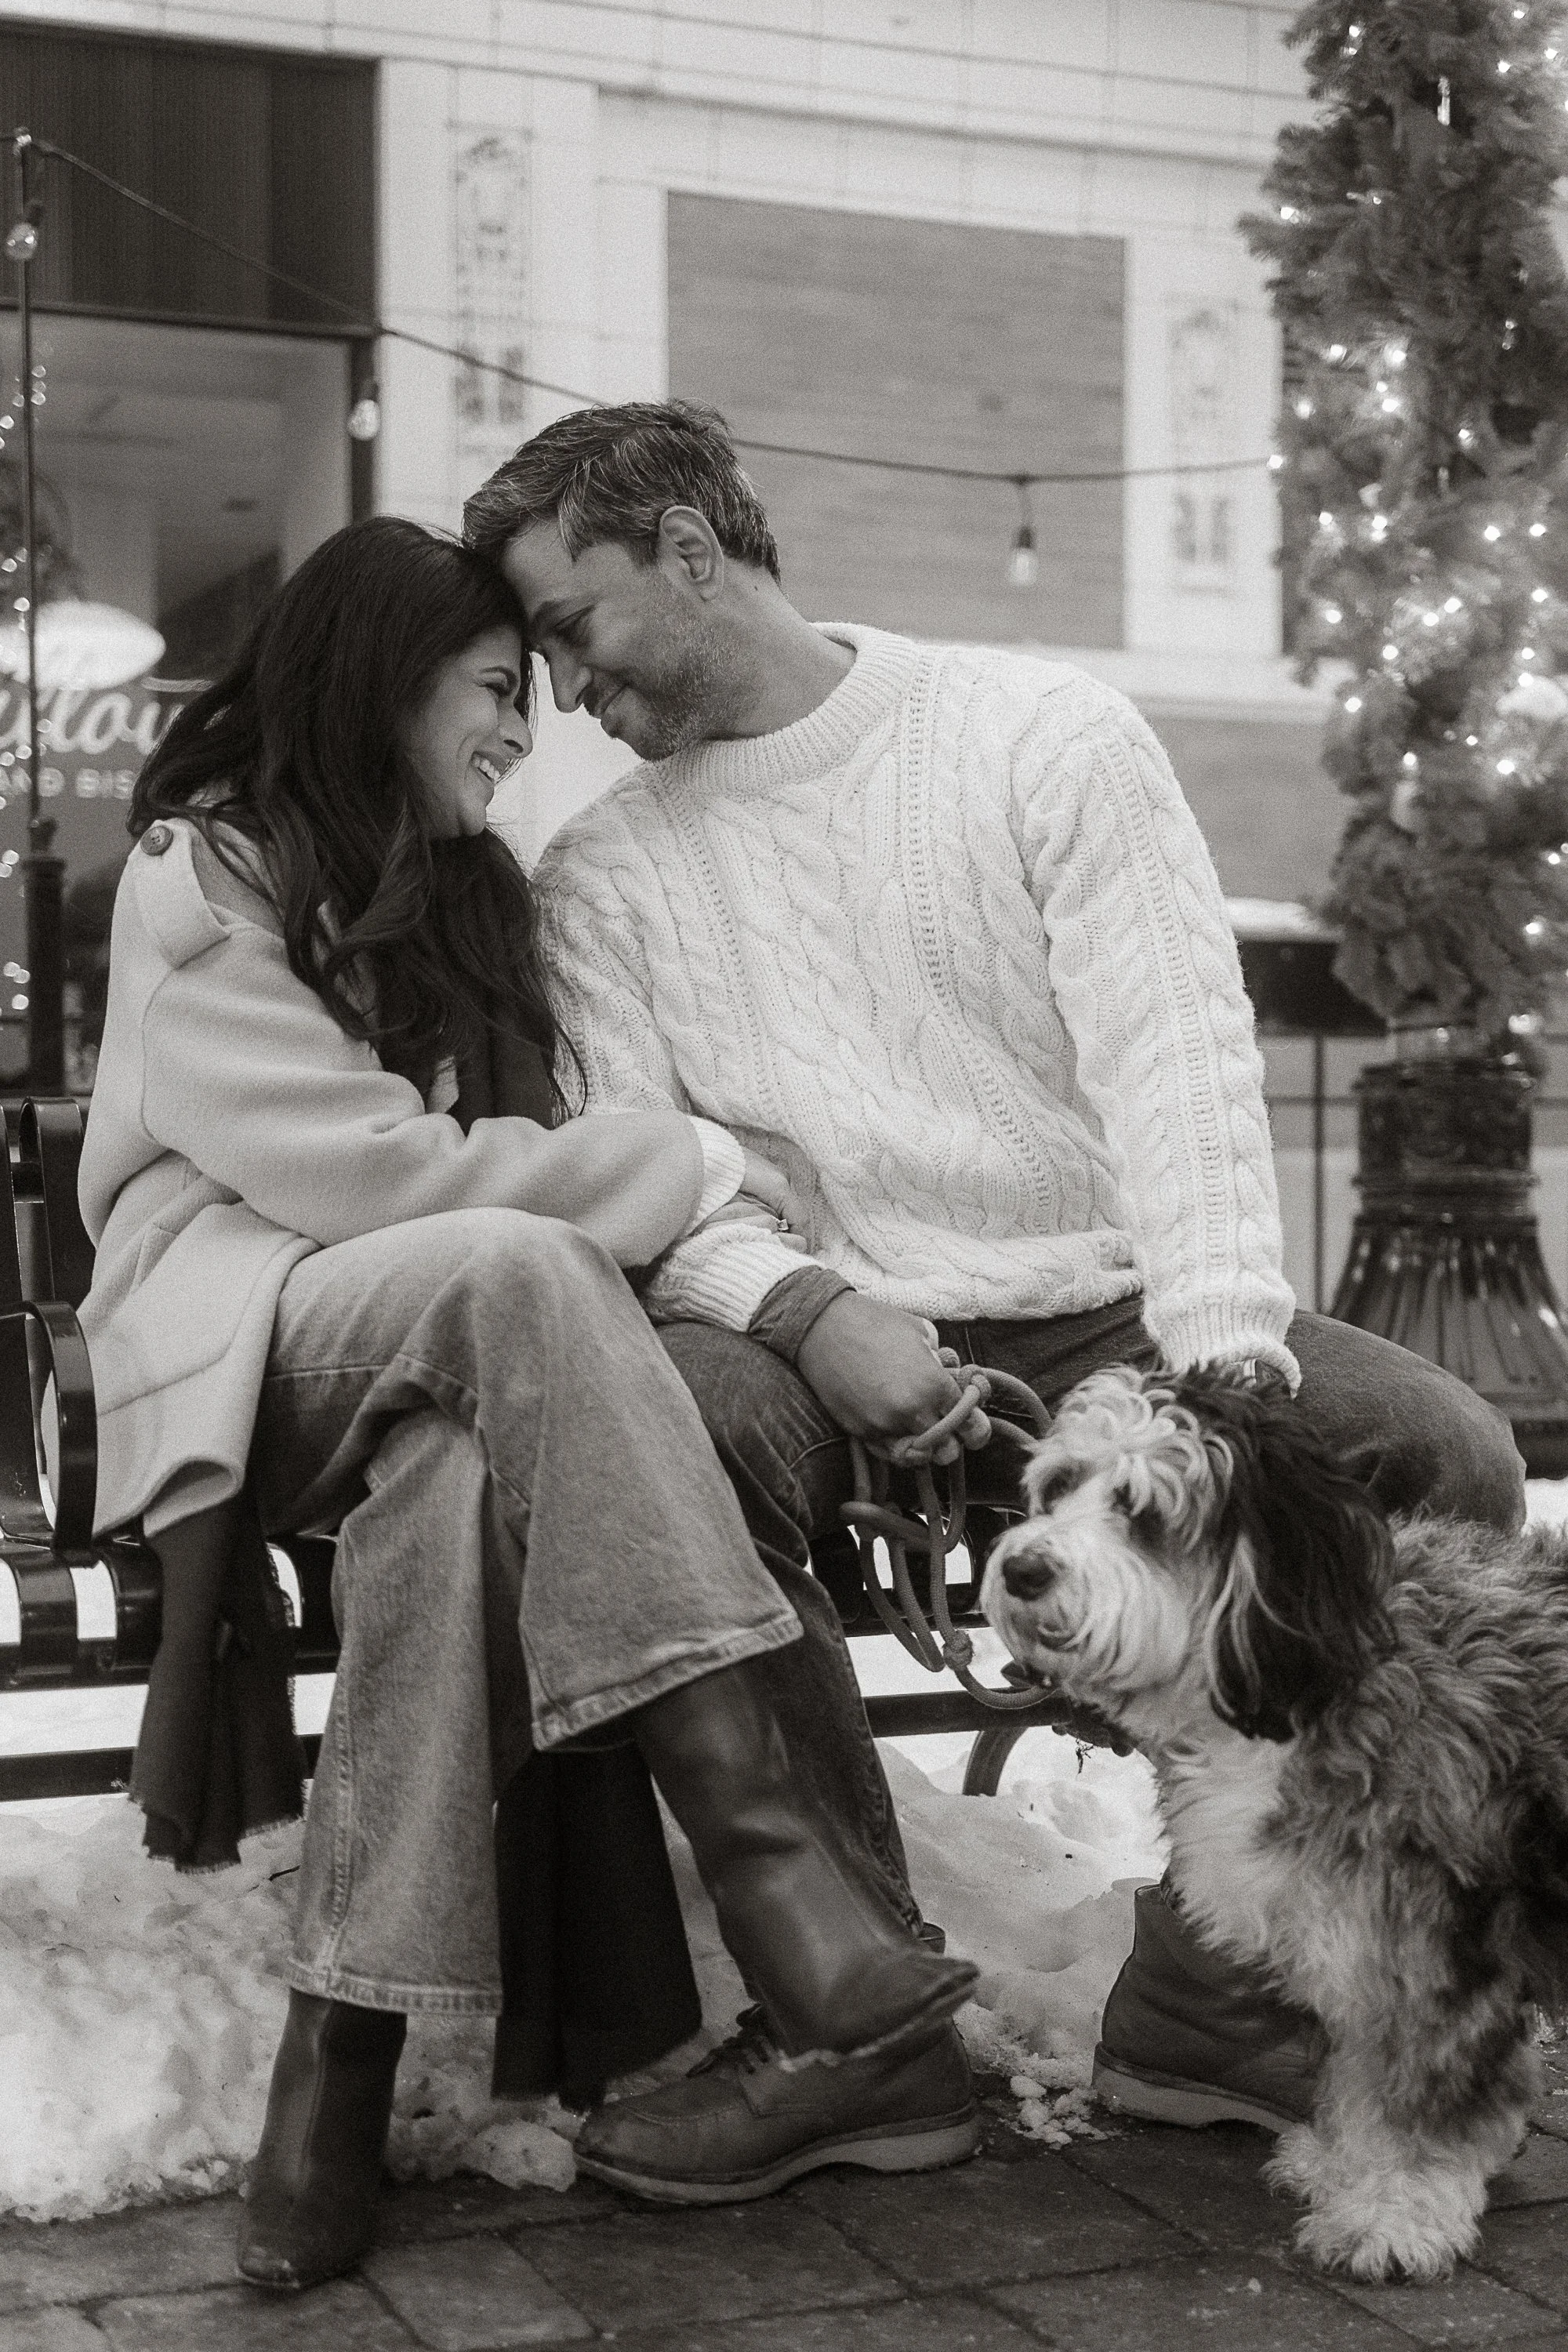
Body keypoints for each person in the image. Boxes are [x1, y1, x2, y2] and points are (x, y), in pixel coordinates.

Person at [463, 398, 1529, 2203]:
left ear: (691, 550)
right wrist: (807, 1314)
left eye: (571, 628)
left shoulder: (1040, 736)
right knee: (686, 1434)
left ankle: (1215, 1991)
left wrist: (1224, 1364)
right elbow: (644, 1192)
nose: (562, 691)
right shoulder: (603, 877)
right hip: (809, 1329)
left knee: (1435, 1446)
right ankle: (856, 2024)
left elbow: (1179, 1063)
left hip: (1102, 1311)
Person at [78, 515, 977, 2292]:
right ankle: (778, 1874)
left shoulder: (474, 892)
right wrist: (704, 1156)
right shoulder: (205, 875)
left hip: (444, 1363)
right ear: (383, 676)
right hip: (242, 1344)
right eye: (497, 688)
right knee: (523, 1269)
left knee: (452, 1487)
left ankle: (332, 2068)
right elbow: (377, 1180)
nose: (523, 729)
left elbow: (510, 1167)